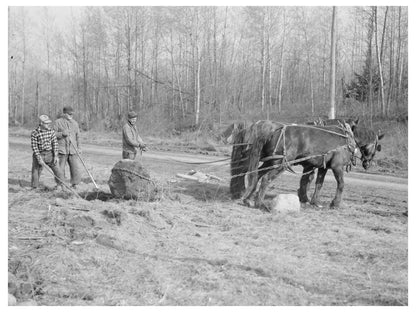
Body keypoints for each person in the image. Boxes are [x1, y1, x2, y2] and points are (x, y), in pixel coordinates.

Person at [31, 115, 64, 190]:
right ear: (41, 123)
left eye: (49, 123)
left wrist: (55, 156)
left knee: (57, 170)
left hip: (50, 154)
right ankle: (34, 187)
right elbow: (34, 147)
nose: (48, 124)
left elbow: (55, 143)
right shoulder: (35, 133)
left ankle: (60, 185)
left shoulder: (51, 131)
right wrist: (39, 158)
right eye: (46, 123)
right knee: (36, 170)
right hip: (39, 153)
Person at [53, 106, 82, 188]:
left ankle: (75, 184)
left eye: (72, 114)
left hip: (72, 150)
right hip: (62, 150)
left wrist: (79, 148)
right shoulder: (57, 122)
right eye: (69, 114)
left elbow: (78, 136)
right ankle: (60, 184)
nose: (71, 116)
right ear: (64, 114)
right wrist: (62, 134)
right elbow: (53, 134)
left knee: (75, 168)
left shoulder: (75, 123)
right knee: (60, 168)